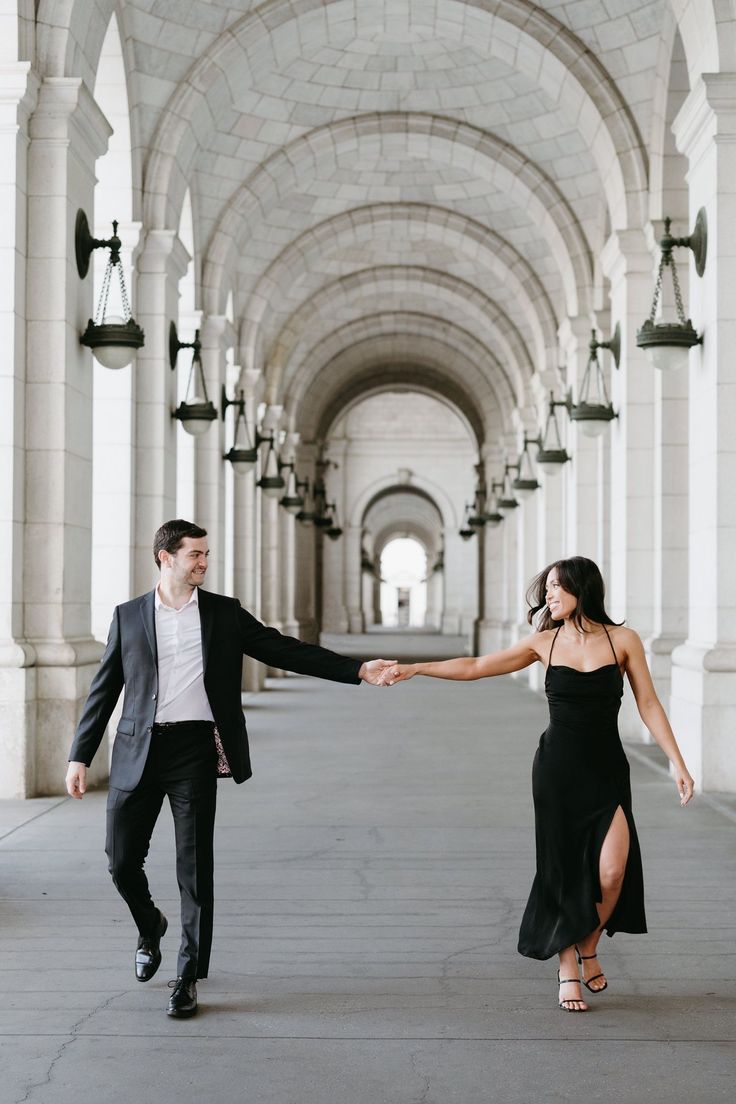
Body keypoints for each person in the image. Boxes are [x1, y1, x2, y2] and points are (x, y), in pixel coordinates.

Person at [66, 519, 395, 1019]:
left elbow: (283, 648)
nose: (202, 562)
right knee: (120, 860)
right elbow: (105, 688)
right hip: (138, 751)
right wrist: (80, 754)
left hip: (195, 750)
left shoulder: (222, 614)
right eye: (194, 554)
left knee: (195, 868)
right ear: (165, 557)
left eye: (206, 554)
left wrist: (355, 669)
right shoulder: (128, 616)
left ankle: (187, 976)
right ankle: (149, 924)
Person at [382, 556, 694, 1012]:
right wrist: (417, 668)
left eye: (555, 586)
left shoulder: (623, 640)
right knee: (563, 870)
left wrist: (677, 763)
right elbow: (475, 666)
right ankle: (568, 965)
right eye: (546, 588)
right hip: (557, 771)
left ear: (581, 588)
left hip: (607, 769)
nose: (547, 595)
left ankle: (588, 945)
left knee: (612, 872)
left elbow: (647, 703)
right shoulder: (543, 643)